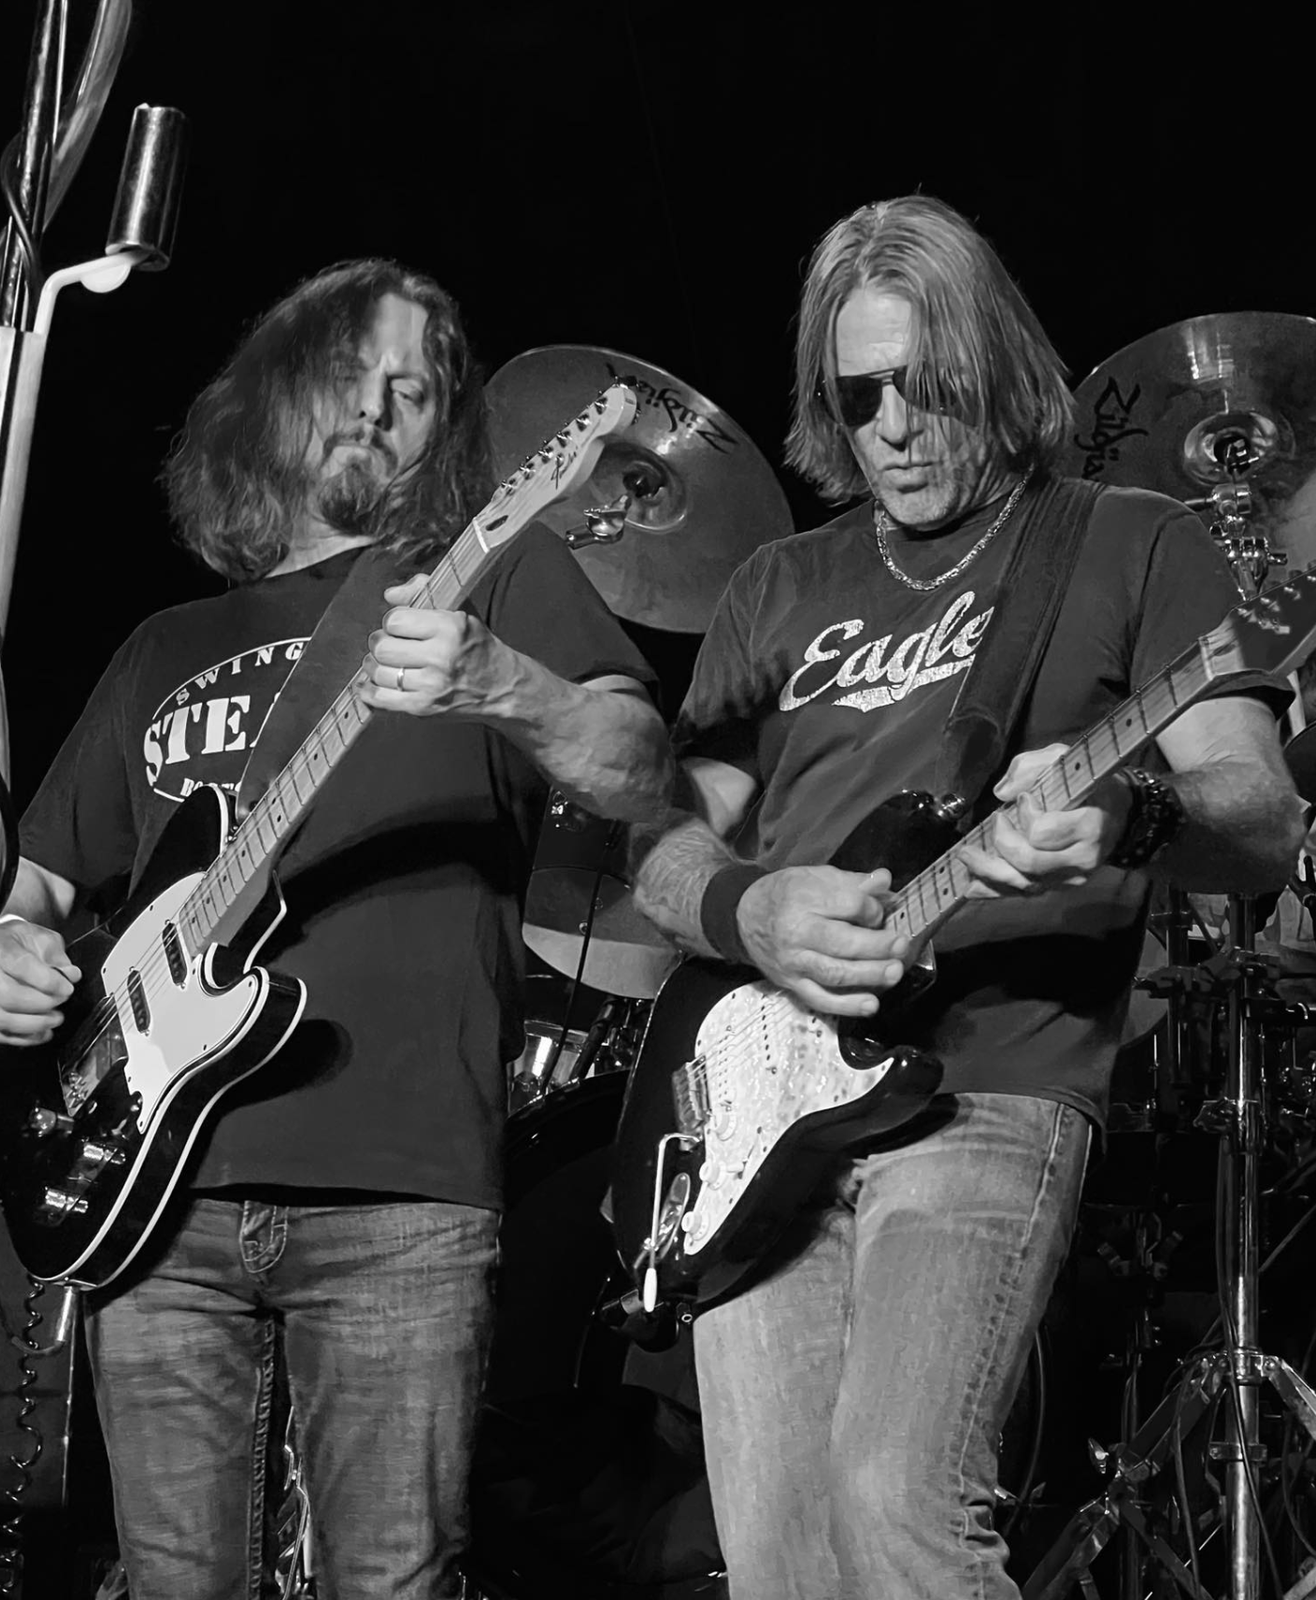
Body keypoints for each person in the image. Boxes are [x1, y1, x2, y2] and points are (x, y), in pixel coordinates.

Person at [629, 196, 1305, 1600]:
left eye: (923, 385)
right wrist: (750, 913)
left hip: (988, 1082)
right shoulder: (777, 582)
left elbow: (1258, 815)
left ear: (992, 365)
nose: (891, 427)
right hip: (760, 1104)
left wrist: (1130, 812)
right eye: (856, 395)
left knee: (900, 1503)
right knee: (779, 1560)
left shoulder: (1132, 541)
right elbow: (664, 845)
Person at [0, 259, 670, 1599]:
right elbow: (39, 890)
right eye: (348, 377)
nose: (375, 407)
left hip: (401, 1190)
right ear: (271, 402)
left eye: (411, 392)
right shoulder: (162, 644)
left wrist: (505, 685)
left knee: (393, 1580)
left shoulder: (492, 575)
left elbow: (641, 765)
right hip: (153, 1195)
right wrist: (11, 955)